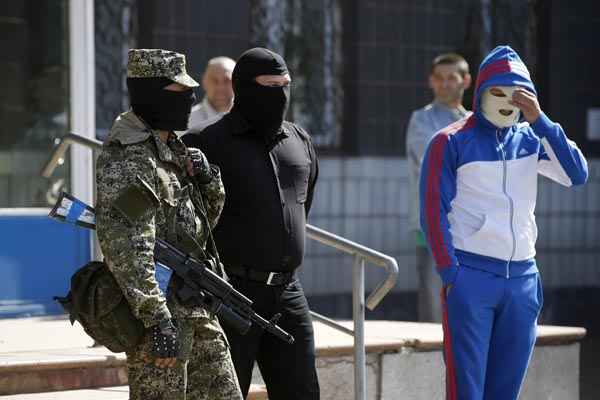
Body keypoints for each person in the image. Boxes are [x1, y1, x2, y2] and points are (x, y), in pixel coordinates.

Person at [420, 45, 588, 400]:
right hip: (472, 278)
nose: (508, 100)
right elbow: (432, 212)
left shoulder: (531, 139)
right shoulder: (449, 141)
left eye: (518, 93)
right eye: (498, 90)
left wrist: (541, 121)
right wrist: (452, 274)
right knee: (467, 391)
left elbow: (577, 174)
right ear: (480, 89)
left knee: (505, 392)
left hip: (523, 281)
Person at [95, 48, 242, 400]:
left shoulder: (172, 148)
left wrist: (207, 178)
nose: (191, 99)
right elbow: (128, 248)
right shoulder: (128, 157)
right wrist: (156, 319)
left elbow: (205, 223)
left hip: (196, 305)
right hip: (160, 317)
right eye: (180, 93)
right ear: (151, 94)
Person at [182, 47, 320, 400]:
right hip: (228, 293)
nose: (279, 94)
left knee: (302, 391)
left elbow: (301, 209)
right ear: (244, 87)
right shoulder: (207, 143)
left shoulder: (300, 141)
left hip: (288, 293)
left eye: (285, 84)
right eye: (269, 85)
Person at [406, 53, 472, 322]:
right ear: (431, 82)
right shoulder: (421, 121)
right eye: (439, 78)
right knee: (434, 305)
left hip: (470, 227)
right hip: (431, 225)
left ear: (465, 81)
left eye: (451, 78)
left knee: (467, 302)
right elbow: (434, 167)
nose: (445, 84)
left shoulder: (475, 121)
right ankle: (432, 363)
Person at [187, 56, 236, 133]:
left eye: (227, 80)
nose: (221, 87)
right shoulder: (187, 123)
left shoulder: (252, 121)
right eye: (214, 80)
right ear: (204, 82)